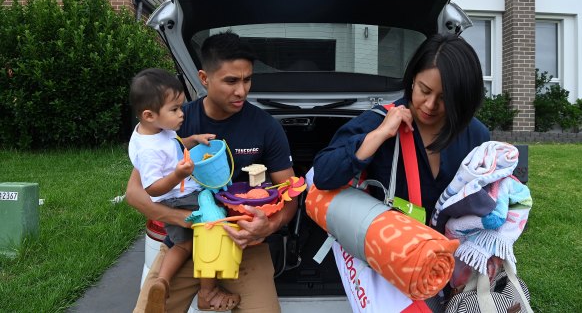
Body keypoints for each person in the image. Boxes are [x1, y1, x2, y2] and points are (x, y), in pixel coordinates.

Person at [126, 32, 296, 313]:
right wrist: (190, 221)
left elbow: (290, 193)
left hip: (244, 246)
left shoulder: (266, 127)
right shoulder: (176, 119)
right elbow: (135, 192)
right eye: (231, 81)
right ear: (204, 79)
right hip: (186, 245)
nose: (242, 91)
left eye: (247, 79)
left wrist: (270, 225)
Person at [312, 33, 491, 221]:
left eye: (444, 98)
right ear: (413, 79)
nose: (430, 104)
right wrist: (379, 134)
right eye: (425, 90)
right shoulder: (379, 120)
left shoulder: (476, 135)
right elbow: (324, 175)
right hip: (389, 247)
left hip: (455, 248)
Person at [128, 68, 238, 312]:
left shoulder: (153, 132)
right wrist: (178, 174)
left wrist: (194, 139)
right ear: (148, 114)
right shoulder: (149, 151)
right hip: (181, 199)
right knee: (212, 228)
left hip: (178, 197)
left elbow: (174, 144)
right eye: (175, 109)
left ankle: (162, 282)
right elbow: (153, 189)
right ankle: (208, 291)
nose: (181, 114)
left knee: (183, 245)